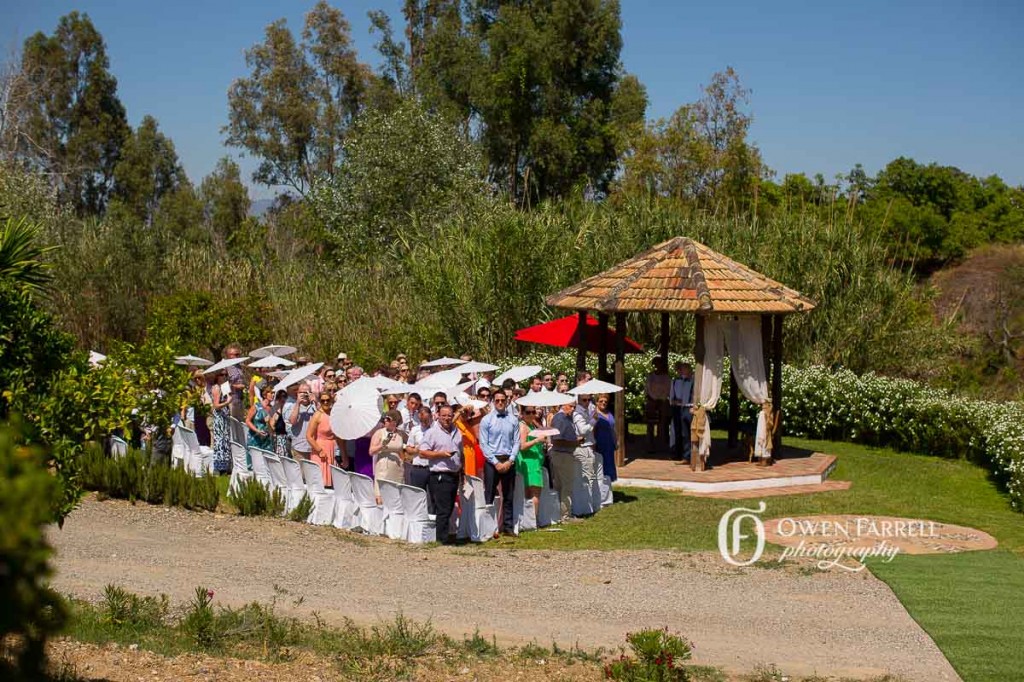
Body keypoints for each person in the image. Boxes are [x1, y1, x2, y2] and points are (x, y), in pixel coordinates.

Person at [418, 405, 462, 544]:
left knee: (449, 507)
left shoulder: (457, 431)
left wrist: (463, 470)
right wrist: (440, 454)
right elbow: (422, 452)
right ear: (438, 415)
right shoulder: (432, 432)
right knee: (443, 509)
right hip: (439, 475)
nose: (447, 418)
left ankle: (445, 536)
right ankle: (442, 540)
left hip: (454, 474)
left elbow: (461, 452)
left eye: (449, 415)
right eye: (444, 415)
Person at [479, 389, 520, 536]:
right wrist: (496, 462)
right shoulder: (486, 420)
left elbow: (516, 442)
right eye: (497, 400)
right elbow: (484, 444)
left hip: (508, 459)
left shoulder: (513, 420)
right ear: (493, 401)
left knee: (509, 495)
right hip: (492, 460)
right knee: (489, 494)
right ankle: (489, 528)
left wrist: (511, 460)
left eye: (503, 400)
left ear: (507, 401)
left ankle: (508, 527)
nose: (500, 403)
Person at [548, 400, 580, 521]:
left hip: (564, 454)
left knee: (561, 485)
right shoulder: (560, 418)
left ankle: (559, 514)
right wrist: (575, 442)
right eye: (571, 406)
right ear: (564, 405)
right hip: (562, 455)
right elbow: (556, 439)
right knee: (565, 485)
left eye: (574, 407)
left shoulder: (566, 418)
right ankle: (565, 515)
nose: (572, 409)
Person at [517, 405, 549, 523]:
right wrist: (537, 440)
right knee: (534, 492)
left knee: (530, 492)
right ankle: (532, 520)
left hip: (534, 462)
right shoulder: (523, 426)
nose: (531, 414)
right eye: (528, 412)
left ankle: (529, 520)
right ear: (522, 413)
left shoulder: (531, 425)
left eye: (533, 412)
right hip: (529, 463)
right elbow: (522, 446)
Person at [308, 391, 345, 486]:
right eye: (322, 400)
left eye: (327, 400)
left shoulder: (335, 414)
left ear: (331, 401)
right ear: (319, 401)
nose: (325, 402)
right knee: (321, 481)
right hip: (320, 449)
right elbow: (309, 436)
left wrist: (344, 455)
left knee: (332, 481)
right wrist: (319, 450)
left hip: (332, 449)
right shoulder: (317, 415)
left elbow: (339, 438)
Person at [370, 410, 405, 503]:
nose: (385, 421)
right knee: (381, 496)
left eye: (388, 419)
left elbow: (403, 449)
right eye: (384, 419)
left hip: (397, 468)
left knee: (396, 498)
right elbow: (371, 451)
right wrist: (382, 445)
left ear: (395, 422)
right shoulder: (379, 433)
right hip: (383, 467)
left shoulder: (400, 434)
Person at [669, 362, 695, 462]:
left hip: (688, 408)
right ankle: (677, 453)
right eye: (681, 369)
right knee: (677, 431)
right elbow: (672, 396)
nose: (681, 370)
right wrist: (674, 401)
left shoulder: (693, 381)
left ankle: (687, 454)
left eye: (684, 369)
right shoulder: (675, 381)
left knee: (687, 432)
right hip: (677, 408)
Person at [645, 357, 672, 452]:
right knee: (650, 425)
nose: (656, 367)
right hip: (652, 402)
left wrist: (661, 399)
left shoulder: (666, 377)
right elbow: (647, 389)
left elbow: (668, 390)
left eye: (658, 364)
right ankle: (649, 445)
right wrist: (653, 398)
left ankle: (662, 444)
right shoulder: (650, 376)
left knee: (662, 424)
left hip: (663, 402)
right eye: (655, 364)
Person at [209, 369, 232, 472]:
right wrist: (227, 402)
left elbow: (228, 399)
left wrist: (228, 395)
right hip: (219, 417)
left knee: (226, 440)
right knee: (220, 441)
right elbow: (216, 405)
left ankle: (226, 465)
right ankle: (220, 467)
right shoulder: (216, 388)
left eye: (226, 375)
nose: (224, 377)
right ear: (217, 376)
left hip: (225, 417)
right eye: (222, 375)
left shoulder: (224, 387)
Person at [286, 381, 316, 459]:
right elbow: (292, 421)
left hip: (315, 447)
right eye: (301, 392)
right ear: (297, 393)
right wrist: (298, 403)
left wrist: (316, 401)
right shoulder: (292, 406)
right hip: (299, 447)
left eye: (307, 392)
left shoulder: (315, 406)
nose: (304, 394)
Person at [594, 393, 618, 482]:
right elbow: (592, 430)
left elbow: (612, 428)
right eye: (601, 401)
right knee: (601, 468)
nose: (603, 403)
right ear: (596, 402)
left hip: (609, 444)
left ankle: (609, 489)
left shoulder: (608, 413)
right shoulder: (594, 414)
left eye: (605, 401)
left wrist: (615, 441)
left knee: (609, 466)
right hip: (600, 444)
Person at [245, 389, 273, 456]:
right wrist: (257, 430)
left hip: (266, 439)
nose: (273, 395)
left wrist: (269, 422)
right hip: (255, 437)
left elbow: (271, 425)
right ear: (264, 394)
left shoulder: (271, 408)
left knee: (266, 460)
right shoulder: (256, 406)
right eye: (271, 393)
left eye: (274, 393)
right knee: (254, 460)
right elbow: (247, 420)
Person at [223, 344, 247, 421]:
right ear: (229, 355)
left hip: (240, 397)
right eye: (235, 354)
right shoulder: (225, 366)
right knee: (234, 422)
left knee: (240, 421)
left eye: (238, 354)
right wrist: (235, 386)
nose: (237, 356)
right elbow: (222, 383)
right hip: (231, 398)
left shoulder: (239, 366)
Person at [268, 388, 290, 457]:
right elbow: (271, 423)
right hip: (279, 436)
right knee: (281, 456)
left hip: (288, 436)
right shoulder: (275, 408)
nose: (283, 400)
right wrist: (278, 412)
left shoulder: (288, 408)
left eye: (284, 398)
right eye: (280, 398)